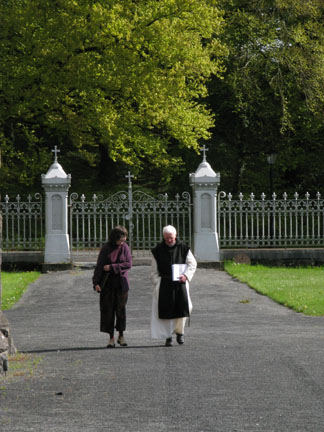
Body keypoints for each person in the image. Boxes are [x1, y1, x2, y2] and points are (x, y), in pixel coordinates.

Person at [150, 225, 197, 347]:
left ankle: (180, 332)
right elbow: (154, 271)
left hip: (180, 283)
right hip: (164, 283)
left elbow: (192, 264)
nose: (169, 240)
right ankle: (168, 336)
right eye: (166, 238)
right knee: (167, 310)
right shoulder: (157, 250)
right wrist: (157, 282)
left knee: (185, 307)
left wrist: (186, 276)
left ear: (175, 235)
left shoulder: (184, 248)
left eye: (171, 238)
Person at [93, 226, 132, 348]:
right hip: (108, 284)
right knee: (108, 311)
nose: (123, 241)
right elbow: (99, 266)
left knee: (121, 311)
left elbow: (128, 264)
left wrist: (112, 267)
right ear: (114, 238)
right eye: (121, 239)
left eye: (125, 238)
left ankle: (121, 335)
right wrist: (96, 283)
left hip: (121, 284)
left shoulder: (125, 248)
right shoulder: (106, 249)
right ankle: (111, 337)